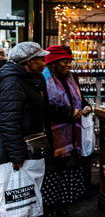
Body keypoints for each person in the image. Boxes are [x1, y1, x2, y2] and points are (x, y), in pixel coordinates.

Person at [0, 42, 77, 170]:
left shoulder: (33, 78)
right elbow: (9, 121)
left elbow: (43, 109)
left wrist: (67, 112)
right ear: (30, 62)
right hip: (21, 151)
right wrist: (16, 154)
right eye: (41, 60)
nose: (45, 63)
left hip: (32, 146)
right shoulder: (13, 82)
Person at [40, 45, 92, 217]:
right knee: (52, 176)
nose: (69, 65)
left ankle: (63, 207)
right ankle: (50, 209)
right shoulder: (43, 79)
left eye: (70, 61)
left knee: (67, 175)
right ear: (54, 63)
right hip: (53, 140)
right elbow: (45, 109)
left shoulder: (71, 78)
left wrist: (86, 106)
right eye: (65, 61)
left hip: (70, 139)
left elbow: (79, 98)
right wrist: (69, 113)